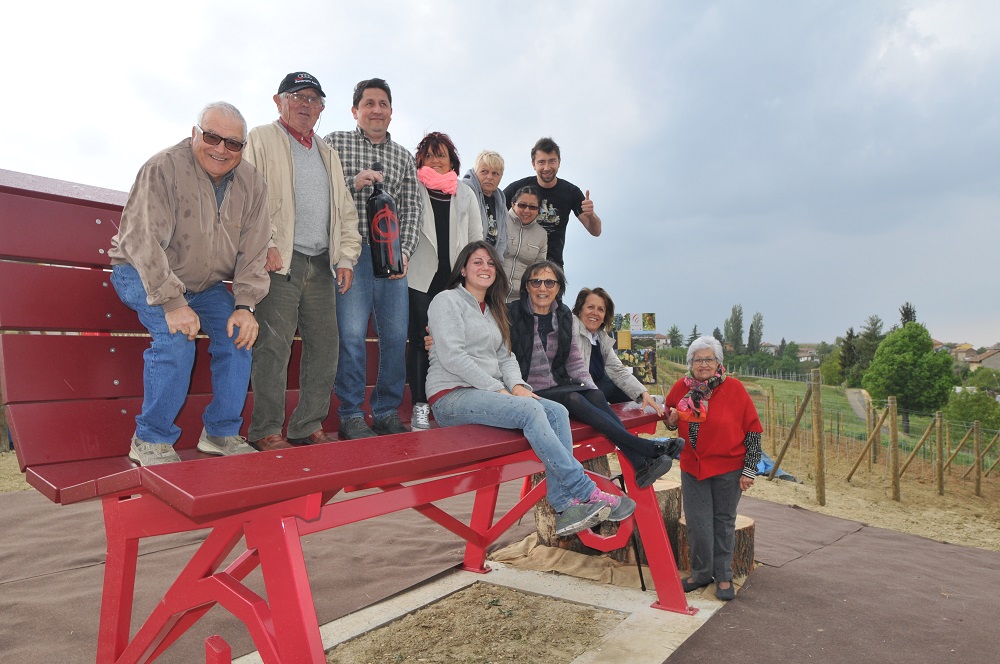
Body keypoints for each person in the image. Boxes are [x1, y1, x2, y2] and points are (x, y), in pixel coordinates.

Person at [426, 241, 635, 536]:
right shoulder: (447, 301)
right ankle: (585, 490)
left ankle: (564, 505)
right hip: (451, 395)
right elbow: (453, 356)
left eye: (490, 263)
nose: (485, 268)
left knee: (557, 411)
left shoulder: (494, 310)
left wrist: (517, 385)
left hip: (487, 393)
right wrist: (499, 389)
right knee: (530, 409)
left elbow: (505, 356)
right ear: (462, 269)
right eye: (477, 262)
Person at [108, 102, 270, 466]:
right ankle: (149, 439)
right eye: (212, 137)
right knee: (176, 337)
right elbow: (142, 240)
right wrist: (172, 302)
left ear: (243, 147)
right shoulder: (163, 167)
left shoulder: (252, 183)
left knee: (239, 336)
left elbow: (255, 250)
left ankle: (221, 432)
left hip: (205, 285)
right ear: (196, 132)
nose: (221, 149)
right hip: (141, 271)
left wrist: (245, 305)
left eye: (233, 143)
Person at [242, 72, 362, 451]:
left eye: (313, 99)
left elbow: (345, 212)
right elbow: (248, 197)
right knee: (273, 348)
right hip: (280, 261)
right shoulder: (261, 138)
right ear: (279, 101)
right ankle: (265, 430)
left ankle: (306, 424)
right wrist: (267, 245)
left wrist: (346, 258)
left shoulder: (327, 153)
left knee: (325, 347)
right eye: (297, 96)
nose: (306, 104)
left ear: (322, 109)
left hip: (321, 263)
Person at [508, 261, 683, 490]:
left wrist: (640, 392)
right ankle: (643, 450)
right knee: (575, 398)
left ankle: (640, 462)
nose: (543, 287)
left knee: (595, 394)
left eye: (549, 282)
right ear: (527, 286)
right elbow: (506, 356)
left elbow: (580, 363)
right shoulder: (514, 313)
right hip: (530, 389)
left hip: (559, 386)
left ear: (558, 288)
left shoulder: (567, 320)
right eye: (536, 282)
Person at [324, 78, 421, 439]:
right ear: (355, 110)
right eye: (369, 103)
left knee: (396, 336)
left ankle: (385, 411)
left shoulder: (403, 157)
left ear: (391, 112)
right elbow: (323, 190)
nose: (376, 109)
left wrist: (406, 251)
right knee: (350, 335)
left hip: (392, 258)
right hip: (350, 255)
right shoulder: (334, 143)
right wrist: (353, 183)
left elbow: (413, 207)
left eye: (383, 103)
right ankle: (350, 415)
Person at [664, 336, 762, 601]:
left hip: (729, 468)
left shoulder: (735, 389)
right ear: (691, 364)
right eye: (698, 360)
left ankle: (724, 576)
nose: (703, 364)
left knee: (723, 522)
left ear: (719, 362)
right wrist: (671, 421)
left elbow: (753, 430)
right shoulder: (681, 388)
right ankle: (701, 573)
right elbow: (671, 416)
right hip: (693, 467)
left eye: (709, 359)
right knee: (697, 524)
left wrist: (749, 470)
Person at [407, 132, 483, 430]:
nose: (436, 160)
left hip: (454, 281)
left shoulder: (465, 193)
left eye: (442, 155)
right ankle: (420, 408)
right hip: (419, 278)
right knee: (420, 343)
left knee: (453, 344)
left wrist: (473, 277)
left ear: (452, 160)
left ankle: (453, 406)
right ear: (421, 160)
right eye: (429, 155)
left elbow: (477, 238)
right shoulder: (411, 186)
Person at [501, 137, 601, 267]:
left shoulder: (571, 192)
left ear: (559, 162)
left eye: (552, 161)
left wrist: (591, 215)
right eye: (541, 162)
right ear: (533, 164)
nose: (547, 168)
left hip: (553, 269)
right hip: (520, 265)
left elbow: (596, 231)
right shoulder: (518, 189)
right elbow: (494, 214)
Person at [573, 287, 663, 413]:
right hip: (575, 394)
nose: (595, 313)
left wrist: (643, 393)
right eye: (590, 307)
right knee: (604, 386)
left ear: (605, 316)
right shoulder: (572, 331)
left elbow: (618, 370)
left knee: (612, 382)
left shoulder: (600, 338)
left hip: (594, 392)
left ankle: (643, 402)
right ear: (579, 310)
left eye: (600, 309)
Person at [501, 185, 547, 303]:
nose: (527, 210)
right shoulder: (500, 220)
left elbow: (539, 272)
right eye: (522, 205)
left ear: (538, 210)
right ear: (512, 204)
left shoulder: (542, 235)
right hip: (492, 295)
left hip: (520, 301)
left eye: (532, 207)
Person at [460, 150, 508, 257]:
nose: (489, 177)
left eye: (495, 173)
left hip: (488, 262)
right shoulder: (464, 192)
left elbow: (502, 240)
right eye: (484, 171)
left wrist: (496, 264)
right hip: (464, 258)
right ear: (475, 172)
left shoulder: (501, 201)